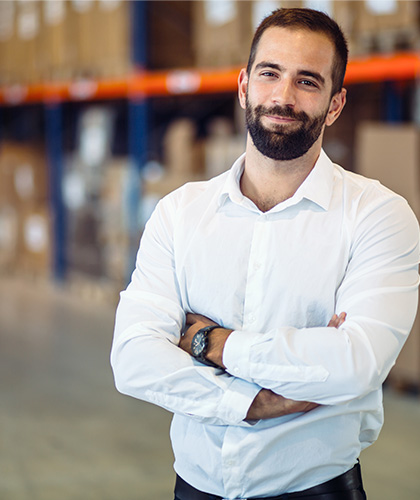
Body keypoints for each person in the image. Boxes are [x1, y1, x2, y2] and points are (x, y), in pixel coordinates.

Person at [111, 8, 420, 500]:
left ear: (336, 104)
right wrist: (252, 402)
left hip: (317, 490)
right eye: (269, 73)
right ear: (243, 85)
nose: (282, 96)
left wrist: (211, 343)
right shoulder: (180, 213)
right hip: (194, 488)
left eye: (307, 81)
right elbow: (132, 359)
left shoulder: (377, 216)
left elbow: (357, 363)